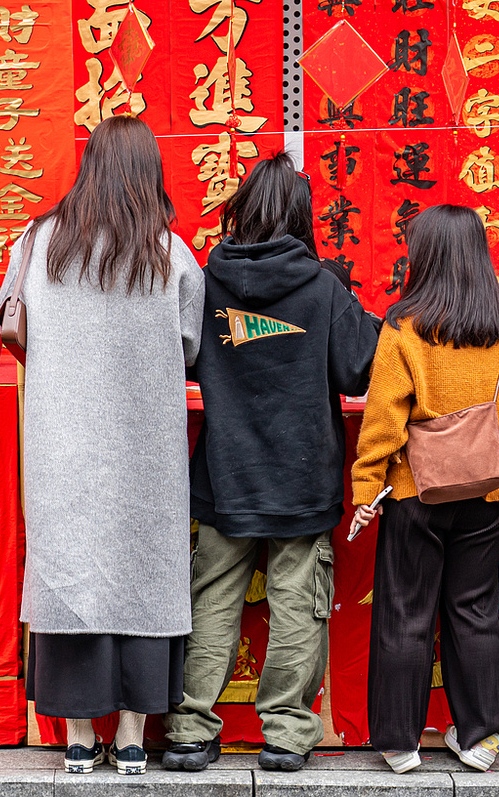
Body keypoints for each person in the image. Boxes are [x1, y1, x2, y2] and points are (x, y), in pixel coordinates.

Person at [0, 116, 206, 776]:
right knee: (145, 574)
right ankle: (137, 736)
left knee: (71, 573)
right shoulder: (171, 254)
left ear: (88, 166)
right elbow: (190, 345)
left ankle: (81, 737)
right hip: (147, 448)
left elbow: (10, 323)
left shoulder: (40, 242)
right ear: (151, 174)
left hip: (64, 441)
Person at [163, 154, 380, 774]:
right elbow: (360, 366)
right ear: (300, 215)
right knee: (296, 604)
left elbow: (182, 358)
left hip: (225, 473)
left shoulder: (206, 283)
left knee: (211, 599)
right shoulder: (322, 288)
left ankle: (188, 730)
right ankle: (285, 734)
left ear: (243, 211)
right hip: (301, 477)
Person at [348, 205, 499, 776]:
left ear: (423, 256)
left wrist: (365, 485)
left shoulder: (403, 328)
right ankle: (481, 739)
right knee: (474, 610)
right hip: (487, 489)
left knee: (406, 613)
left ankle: (400, 744)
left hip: (414, 491)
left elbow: (382, 422)